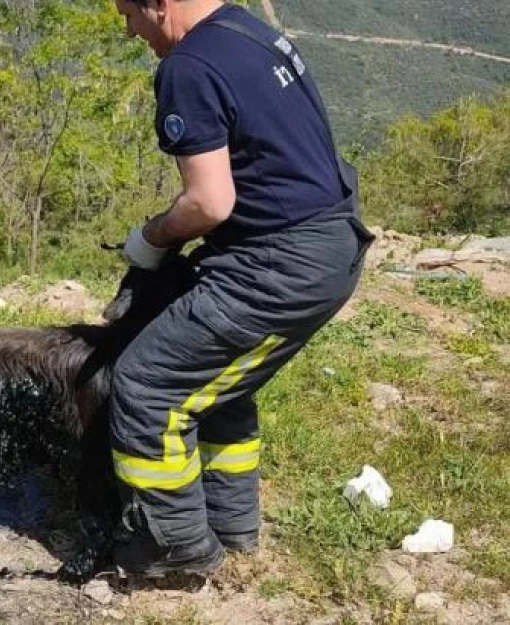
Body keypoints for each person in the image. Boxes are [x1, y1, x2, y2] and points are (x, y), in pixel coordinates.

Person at [108, 0, 374, 576]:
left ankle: (174, 555)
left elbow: (210, 201)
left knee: (146, 387)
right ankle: (231, 531)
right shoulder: (248, 30)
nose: (130, 29)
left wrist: (151, 238)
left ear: (157, 4)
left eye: (129, 13)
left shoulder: (188, 66)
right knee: (215, 387)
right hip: (329, 241)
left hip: (280, 266)